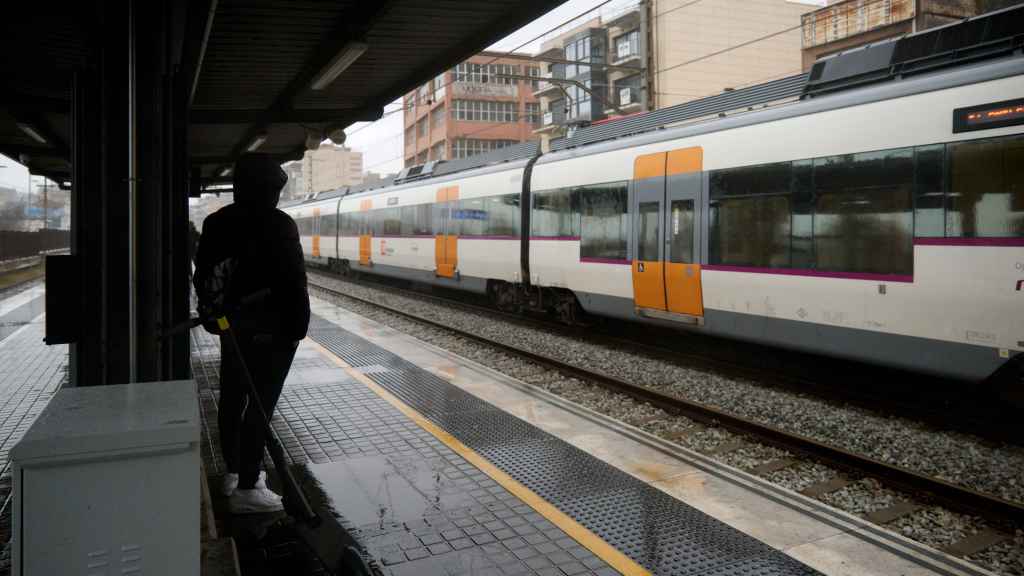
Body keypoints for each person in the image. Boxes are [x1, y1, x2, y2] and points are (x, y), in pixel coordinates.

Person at [193, 153, 310, 514]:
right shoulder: (279, 224)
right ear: (269, 191)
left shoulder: (217, 222)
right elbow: (293, 283)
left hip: (234, 330)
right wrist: (297, 330)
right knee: (260, 409)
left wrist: (214, 318)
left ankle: (232, 472)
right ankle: (248, 485)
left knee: (232, 399)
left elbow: (204, 274)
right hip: (274, 333)